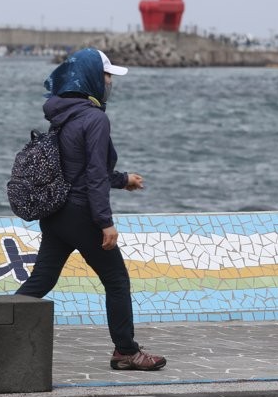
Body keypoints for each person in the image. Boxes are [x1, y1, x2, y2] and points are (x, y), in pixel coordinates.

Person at [14, 47, 167, 371]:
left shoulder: (63, 115)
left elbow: (77, 168)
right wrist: (104, 222)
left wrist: (123, 179)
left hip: (57, 214)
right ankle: (126, 350)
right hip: (83, 215)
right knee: (116, 281)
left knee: (40, 281)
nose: (110, 81)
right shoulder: (95, 118)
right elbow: (93, 175)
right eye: (106, 75)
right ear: (91, 78)